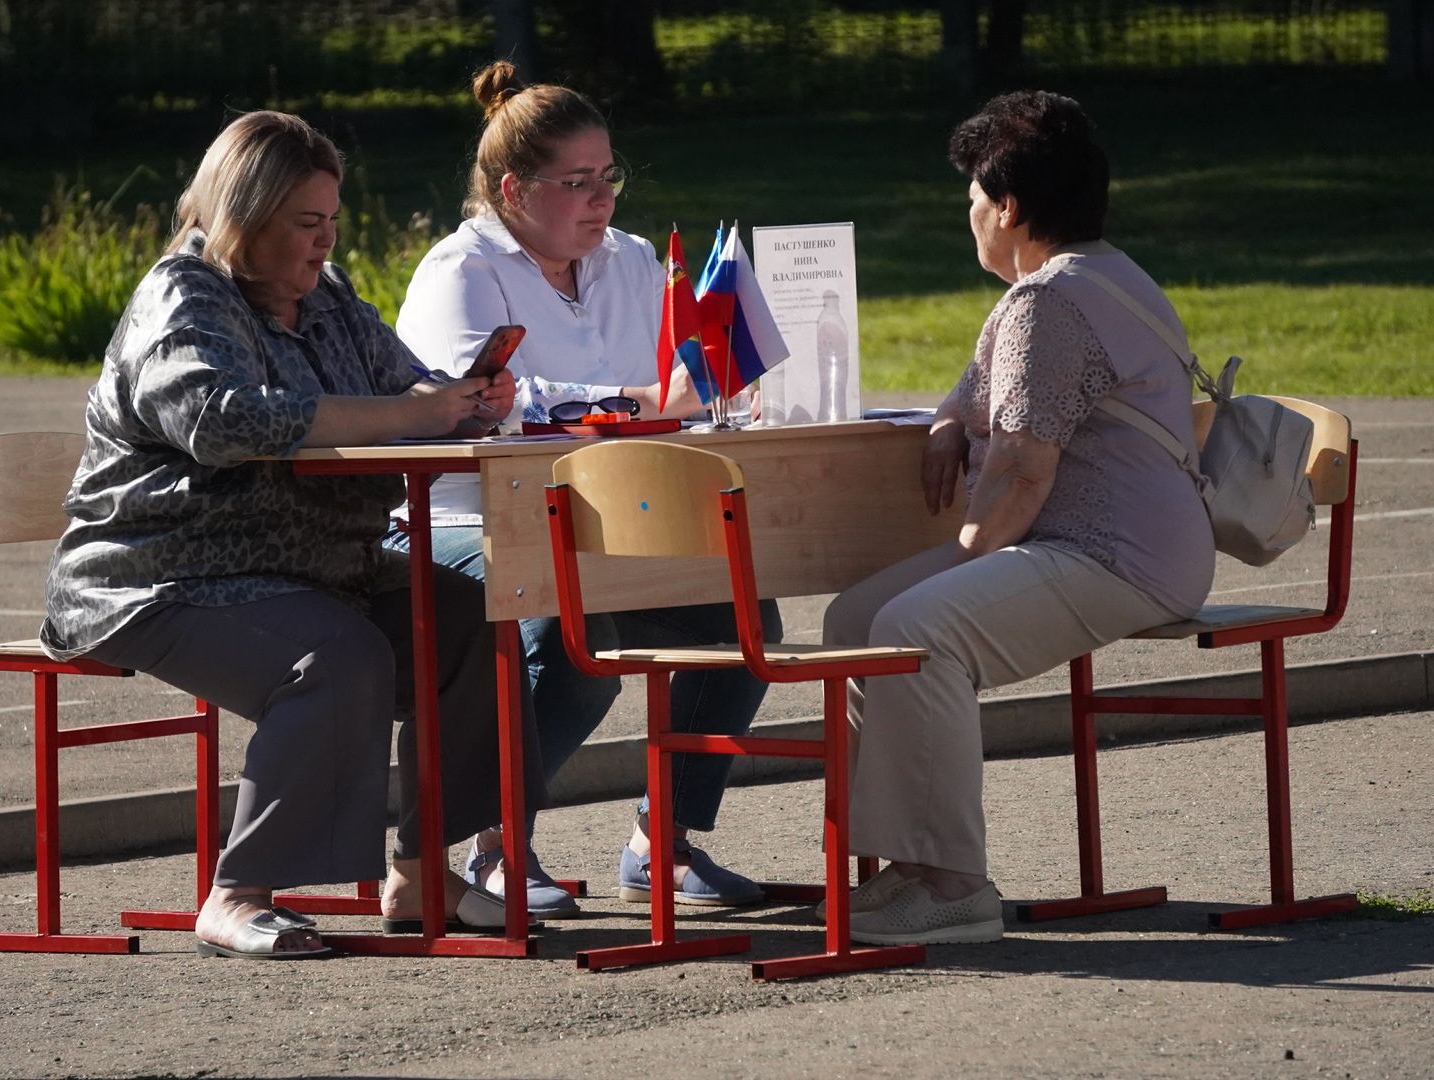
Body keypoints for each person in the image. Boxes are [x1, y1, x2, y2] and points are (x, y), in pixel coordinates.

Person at [39, 110, 546, 959]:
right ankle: (237, 895)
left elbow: (407, 386)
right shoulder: (183, 295)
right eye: (307, 223)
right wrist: (409, 412)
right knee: (336, 655)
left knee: (469, 619)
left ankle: (423, 872)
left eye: (332, 220)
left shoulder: (331, 297)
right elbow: (222, 421)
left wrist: (464, 400)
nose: (325, 241)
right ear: (243, 218)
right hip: (161, 575)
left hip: (314, 568)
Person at [387, 61, 783, 916]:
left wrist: (722, 392)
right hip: (460, 517)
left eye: (609, 176)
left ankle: (660, 842)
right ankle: (494, 845)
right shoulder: (461, 270)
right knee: (570, 630)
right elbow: (481, 403)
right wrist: (639, 401)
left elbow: (684, 380)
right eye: (576, 182)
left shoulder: (633, 261)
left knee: (739, 616)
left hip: (605, 517)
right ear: (513, 191)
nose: (601, 199)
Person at [822, 90, 1214, 945]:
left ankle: (954, 885)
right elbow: (973, 394)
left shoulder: (1051, 303)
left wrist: (962, 565)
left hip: (1119, 555)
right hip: (1097, 545)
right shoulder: (1089, 277)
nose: (968, 214)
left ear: (1007, 207)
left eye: (973, 196)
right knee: (854, 620)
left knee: (915, 630)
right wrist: (943, 426)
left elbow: (1022, 471)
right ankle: (909, 862)